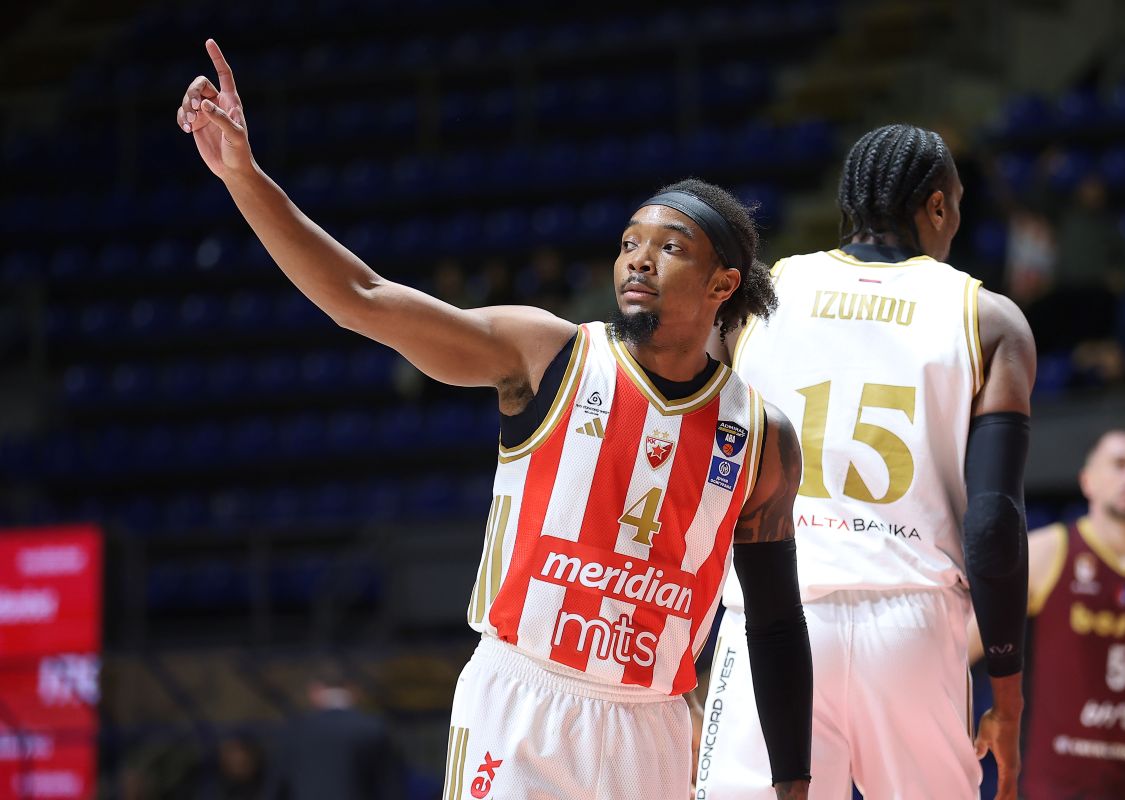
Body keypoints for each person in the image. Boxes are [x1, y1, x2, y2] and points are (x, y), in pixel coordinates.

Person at [177, 39, 813, 800]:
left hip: (652, 725)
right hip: (523, 700)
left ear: (723, 284)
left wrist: (793, 781)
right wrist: (243, 177)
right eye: (628, 243)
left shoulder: (761, 436)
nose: (638, 260)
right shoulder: (548, 354)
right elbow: (363, 299)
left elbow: (775, 622)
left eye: (669, 248)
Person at [696, 123, 1036, 800]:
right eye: (955, 206)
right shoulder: (989, 319)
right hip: (912, 621)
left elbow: (700, 463)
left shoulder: (755, 298)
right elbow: (993, 525)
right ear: (937, 207)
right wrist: (1008, 692)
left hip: (771, 612)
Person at [968, 428, 1125, 800]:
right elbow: (960, 647)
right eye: (1120, 464)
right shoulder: (1047, 552)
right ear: (1088, 480)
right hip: (1050, 787)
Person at [263, 667, 400, 799]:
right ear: (353, 690)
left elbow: (277, 786)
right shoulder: (373, 728)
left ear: (315, 691)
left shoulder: (295, 730)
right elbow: (391, 785)